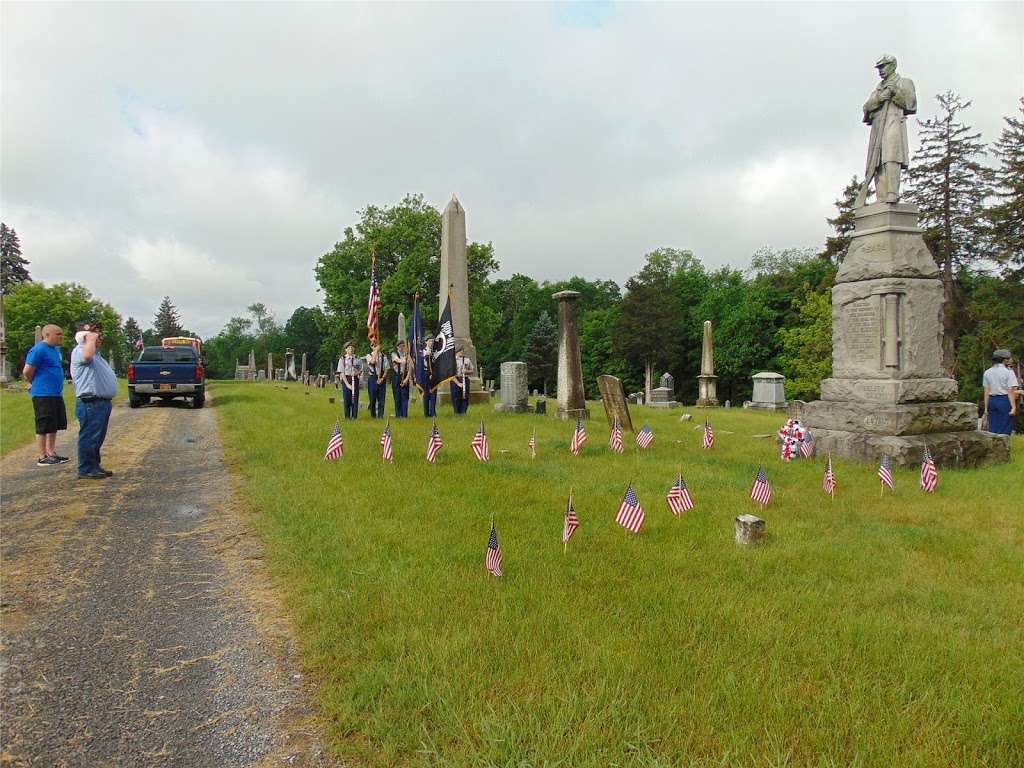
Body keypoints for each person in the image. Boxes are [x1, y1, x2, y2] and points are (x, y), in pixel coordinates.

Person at [855, 54, 917, 207]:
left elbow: (911, 104)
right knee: (877, 161)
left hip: (894, 121)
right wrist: (879, 99)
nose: (881, 70)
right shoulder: (878, 88)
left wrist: (895, 93)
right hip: (877, 126)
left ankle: (892, 192)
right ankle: (881, 195)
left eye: (883, 66)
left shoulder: (904, 82)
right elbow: (866, 107)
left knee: (891, 156)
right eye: (879, 68)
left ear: (893, 65)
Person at [70, 322, 118, 479]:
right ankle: (86, 469)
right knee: (90, 436)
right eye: (96, 334)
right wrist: (89, 339)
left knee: (96, 437)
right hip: (91, 402)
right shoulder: (80, 351)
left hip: (100, 402)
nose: (100, 338)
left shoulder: (97, 355)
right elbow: (87, 356)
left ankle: (94, 465)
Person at [22, 323, 70, 466]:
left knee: (53, 424)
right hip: (43, 393)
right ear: (47, 335)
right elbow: (27, 371)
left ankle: (51, 452)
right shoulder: (39, 349)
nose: (61, 337)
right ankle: (42, 456)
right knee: (43, 424)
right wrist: (34, 382)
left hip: (55, 393)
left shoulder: (55, 350)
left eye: (61, 334)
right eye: (58, 334)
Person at [983, 349, 1018, 436]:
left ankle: (993, 447)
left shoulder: (987, 372)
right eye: (1008, 358)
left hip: (992, 400)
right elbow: (1010, 391)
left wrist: (986, 408)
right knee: (1005, 427)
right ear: (1004, 360)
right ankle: (1002, 448)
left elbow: (986, 391)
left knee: (993, 426)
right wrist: (1013, 407)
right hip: (1004, 400)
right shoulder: (1009, 372)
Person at [337, 341, 362, 420]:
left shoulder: (357, 358)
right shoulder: (342, 359)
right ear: (346, 350)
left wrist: (357, 372)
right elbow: (341, 372)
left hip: (355, 379)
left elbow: (361, 369)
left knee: (355, 398)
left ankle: (354, 416)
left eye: (352, 347)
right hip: (346, 379)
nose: (351, 349)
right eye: (349, 348)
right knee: (347, 398)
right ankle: (347, 417)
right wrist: (347, 384)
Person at [364, 342, 389, 418]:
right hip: (372, 378)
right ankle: (373, 415)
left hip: (381, 378)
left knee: (381, 398)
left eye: (376, 345)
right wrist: (375, 352)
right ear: (371, 347)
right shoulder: (369, 355)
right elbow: (373, 361)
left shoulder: (384, 356)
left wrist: (382, 378)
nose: (375, 347)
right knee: (372, 398)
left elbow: (386, 369)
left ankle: (381, 415)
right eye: (373, 345)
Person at [450, 347, 474, 415]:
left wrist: (467, 371)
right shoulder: (452, 360)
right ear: (456, 352)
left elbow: (472, 371)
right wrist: (457, 383)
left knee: (465, 396)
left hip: (465, 379)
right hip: (455, 379)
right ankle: (456, 412)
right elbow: (450, 374)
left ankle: (463, 412)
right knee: (456, 396)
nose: (462, 352)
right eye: (460, 351)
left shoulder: (467, 360)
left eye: (462, 351)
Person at [391, 340, 411, 418]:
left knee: (405, 396)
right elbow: (398, 360)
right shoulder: (394, 354)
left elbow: (410, 368)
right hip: (396, 377)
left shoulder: (408, 355)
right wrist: (405, 360)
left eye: (403, 346)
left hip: (405, 376)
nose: (402, 348)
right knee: (397, 396)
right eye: (400, 346)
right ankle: (398, 414)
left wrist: (407, 379)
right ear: (397, 347)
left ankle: (404, 415)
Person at [421, 335, 437, 418]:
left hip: (434, 374)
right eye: (430, 341)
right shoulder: (423, 352)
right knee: (426, 393)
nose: (431, 343)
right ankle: (426, 413)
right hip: (425, 373)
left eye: (432, 341)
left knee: (433, 392)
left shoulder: (435, 352)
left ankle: (433, 412)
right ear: (426, 342)